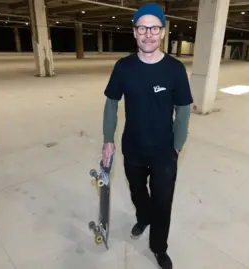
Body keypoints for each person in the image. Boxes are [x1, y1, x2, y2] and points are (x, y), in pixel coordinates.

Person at [101, 2, 193, 269]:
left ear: (163, 32)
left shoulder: (175, 69)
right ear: (135, 33)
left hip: (165, 151)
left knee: (163, 203)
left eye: (154, 28)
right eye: (143, 28)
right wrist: (108, 139)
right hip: (133, 148)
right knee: (138, 192)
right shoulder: (124, 67)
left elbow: (183, 110)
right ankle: (143, 216)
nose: (148, 34)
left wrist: (177, 147)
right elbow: (111, 103)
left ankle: (158, 247)